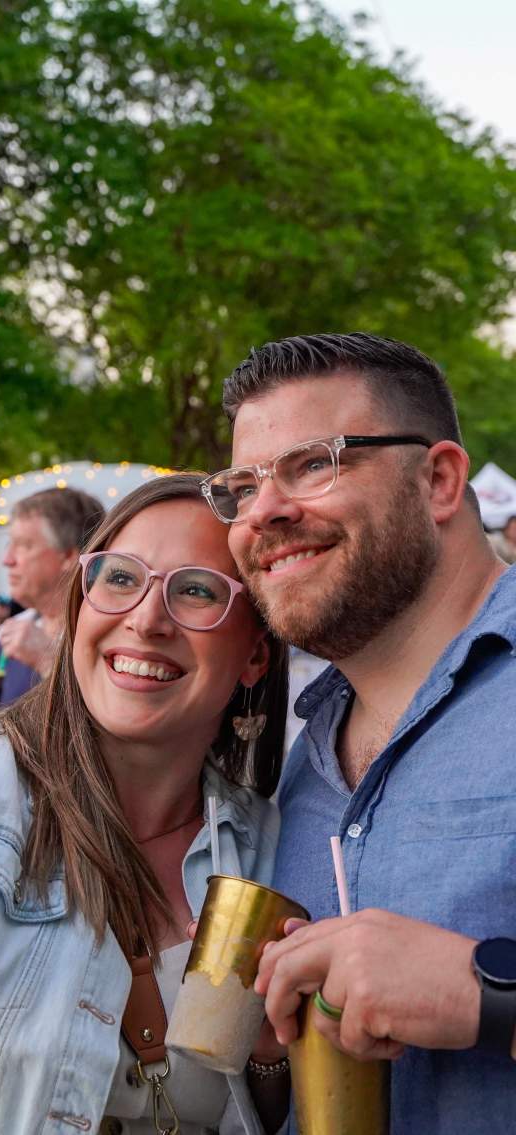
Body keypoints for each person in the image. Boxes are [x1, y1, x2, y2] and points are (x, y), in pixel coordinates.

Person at [0, 474, 290, 1134]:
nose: (148, 619)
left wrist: (272, 1056)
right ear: (81, 603)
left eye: (197, 590)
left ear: (255, 654)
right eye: (121, 578)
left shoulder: (270, 846)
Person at [199, 332, 516, 1134]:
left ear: (439, 480)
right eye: (242, 484)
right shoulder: (294, 764)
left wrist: (486, 993)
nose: (262, 511)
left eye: (313, 463)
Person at [0, 487, 105, 711]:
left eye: (23, 545)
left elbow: (111, 730)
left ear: (69, 557)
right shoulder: (10, 632)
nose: (7, 560)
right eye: (8, 545)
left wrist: (48, 661)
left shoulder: (107, 634)